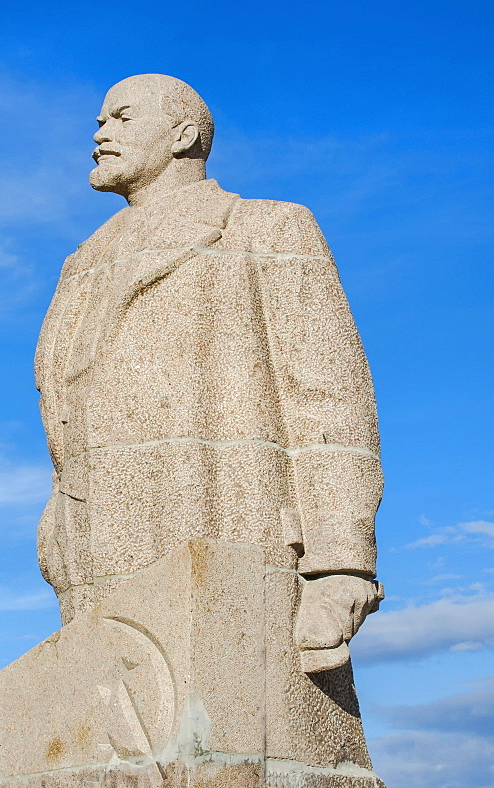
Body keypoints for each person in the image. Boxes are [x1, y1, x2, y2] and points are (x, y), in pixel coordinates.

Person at [35, 73, 383, 669]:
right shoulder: (81, 264)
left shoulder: (266, 228)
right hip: (93, 552)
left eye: (121, 117)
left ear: (182, 134)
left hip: (231, 522)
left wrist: (341, 561)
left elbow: (328, 391)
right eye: (100, 120)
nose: (99, 132)